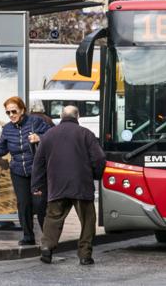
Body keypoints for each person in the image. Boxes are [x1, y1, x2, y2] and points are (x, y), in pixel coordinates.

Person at [31, 105, 105, 265]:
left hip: (56, 185)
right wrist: (95, 175)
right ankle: (85, 255)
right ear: (77, 117)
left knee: (53, 217)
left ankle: (46, 248)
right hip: (81, 184)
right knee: (87, 220)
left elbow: (38, 163)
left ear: (61, 116)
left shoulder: (49, 135)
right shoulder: (86, 134)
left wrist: (36, 185)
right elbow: (99, 159)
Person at [0, 96, 51, 245]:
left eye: (14, 111)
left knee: (40, 204)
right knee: (23, 204)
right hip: (18, 172)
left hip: (37, 171)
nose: (11, 115)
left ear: (22, 110)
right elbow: (1, 150)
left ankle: (48, 238)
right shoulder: (7, 129)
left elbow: (53, 135)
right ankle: (28, 236)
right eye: (8, 113)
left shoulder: (36, 122)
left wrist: (39, 138)